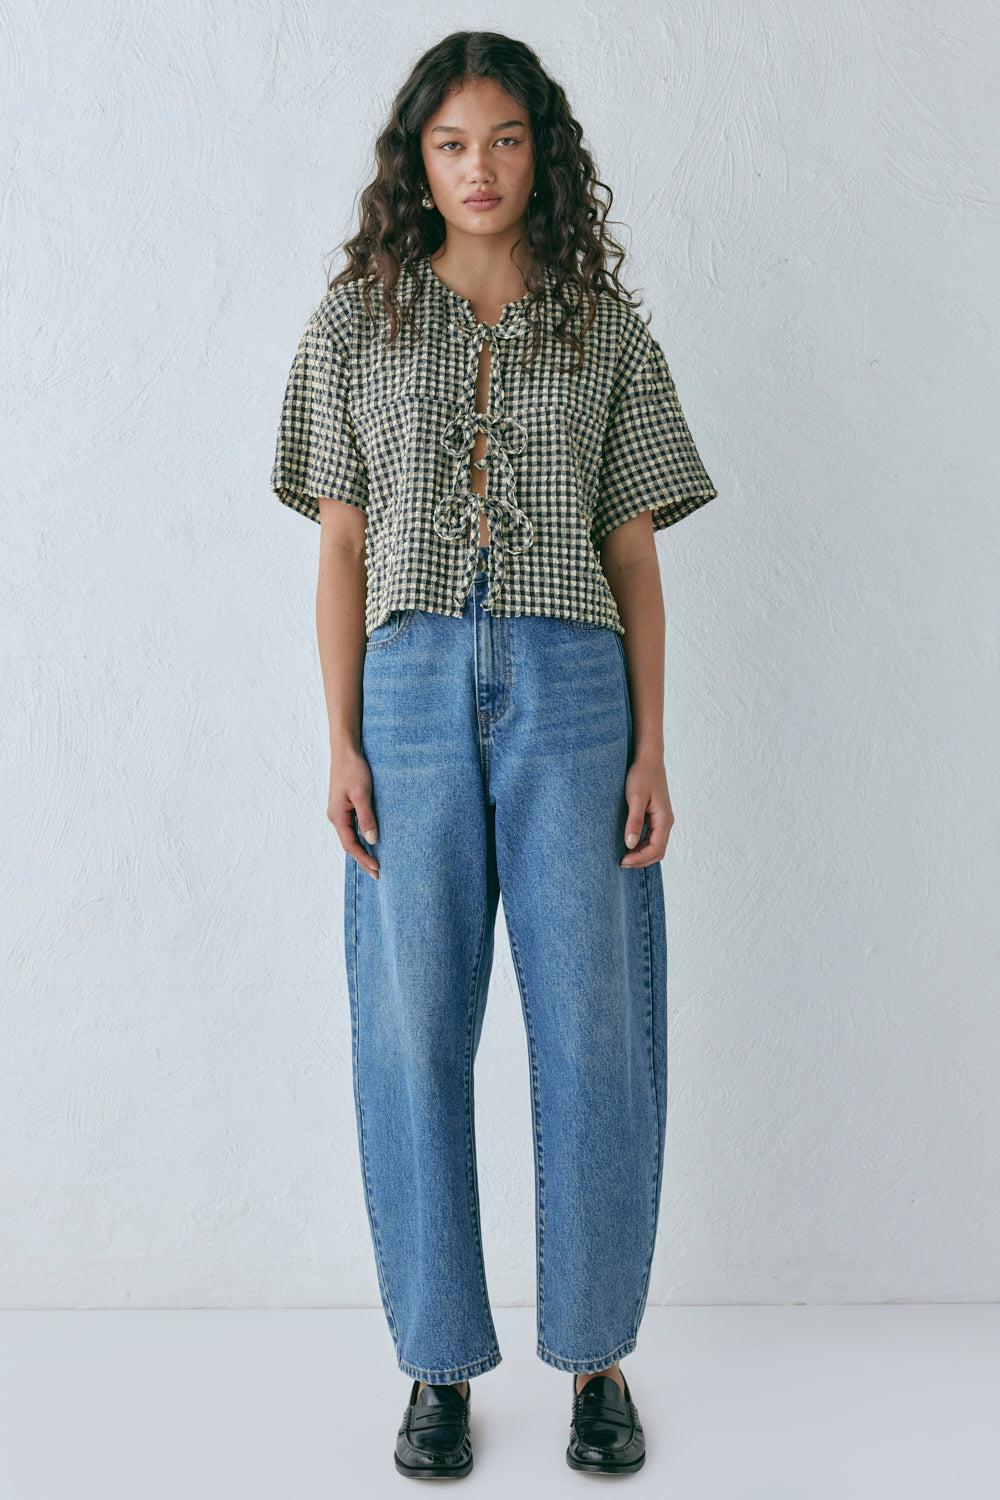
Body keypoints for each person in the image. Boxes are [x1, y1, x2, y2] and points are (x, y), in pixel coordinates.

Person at [270, 30, 717, 1480]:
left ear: (544, 154)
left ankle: (599, 1359)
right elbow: (340, 548)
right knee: (411, 1031)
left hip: (574, 689)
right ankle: (436, 1366)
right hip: (405, 694)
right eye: (453, 143)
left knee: (595, 1026)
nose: (480, 168)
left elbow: (635, 552)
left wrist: (652, 746)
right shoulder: (355, 322)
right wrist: (341, 738)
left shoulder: (603, 325)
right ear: (418, 158)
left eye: (506, 140)